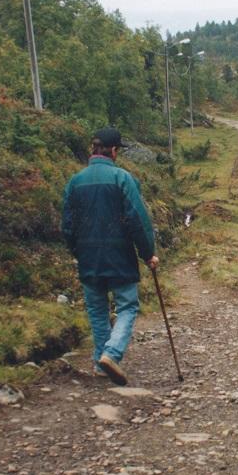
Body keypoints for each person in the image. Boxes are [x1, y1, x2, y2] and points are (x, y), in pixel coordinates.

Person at [61, 127, 159, 386]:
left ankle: (100, 362)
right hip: (119, 256)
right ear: (114, 151)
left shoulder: (74, 181)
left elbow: (67, 226)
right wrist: (148, 253)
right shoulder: (122, 179)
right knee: (127, 306)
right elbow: (138, 220)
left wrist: (77, 251)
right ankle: (112, 354)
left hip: (88, 258)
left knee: (97, 309)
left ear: (93, 150)